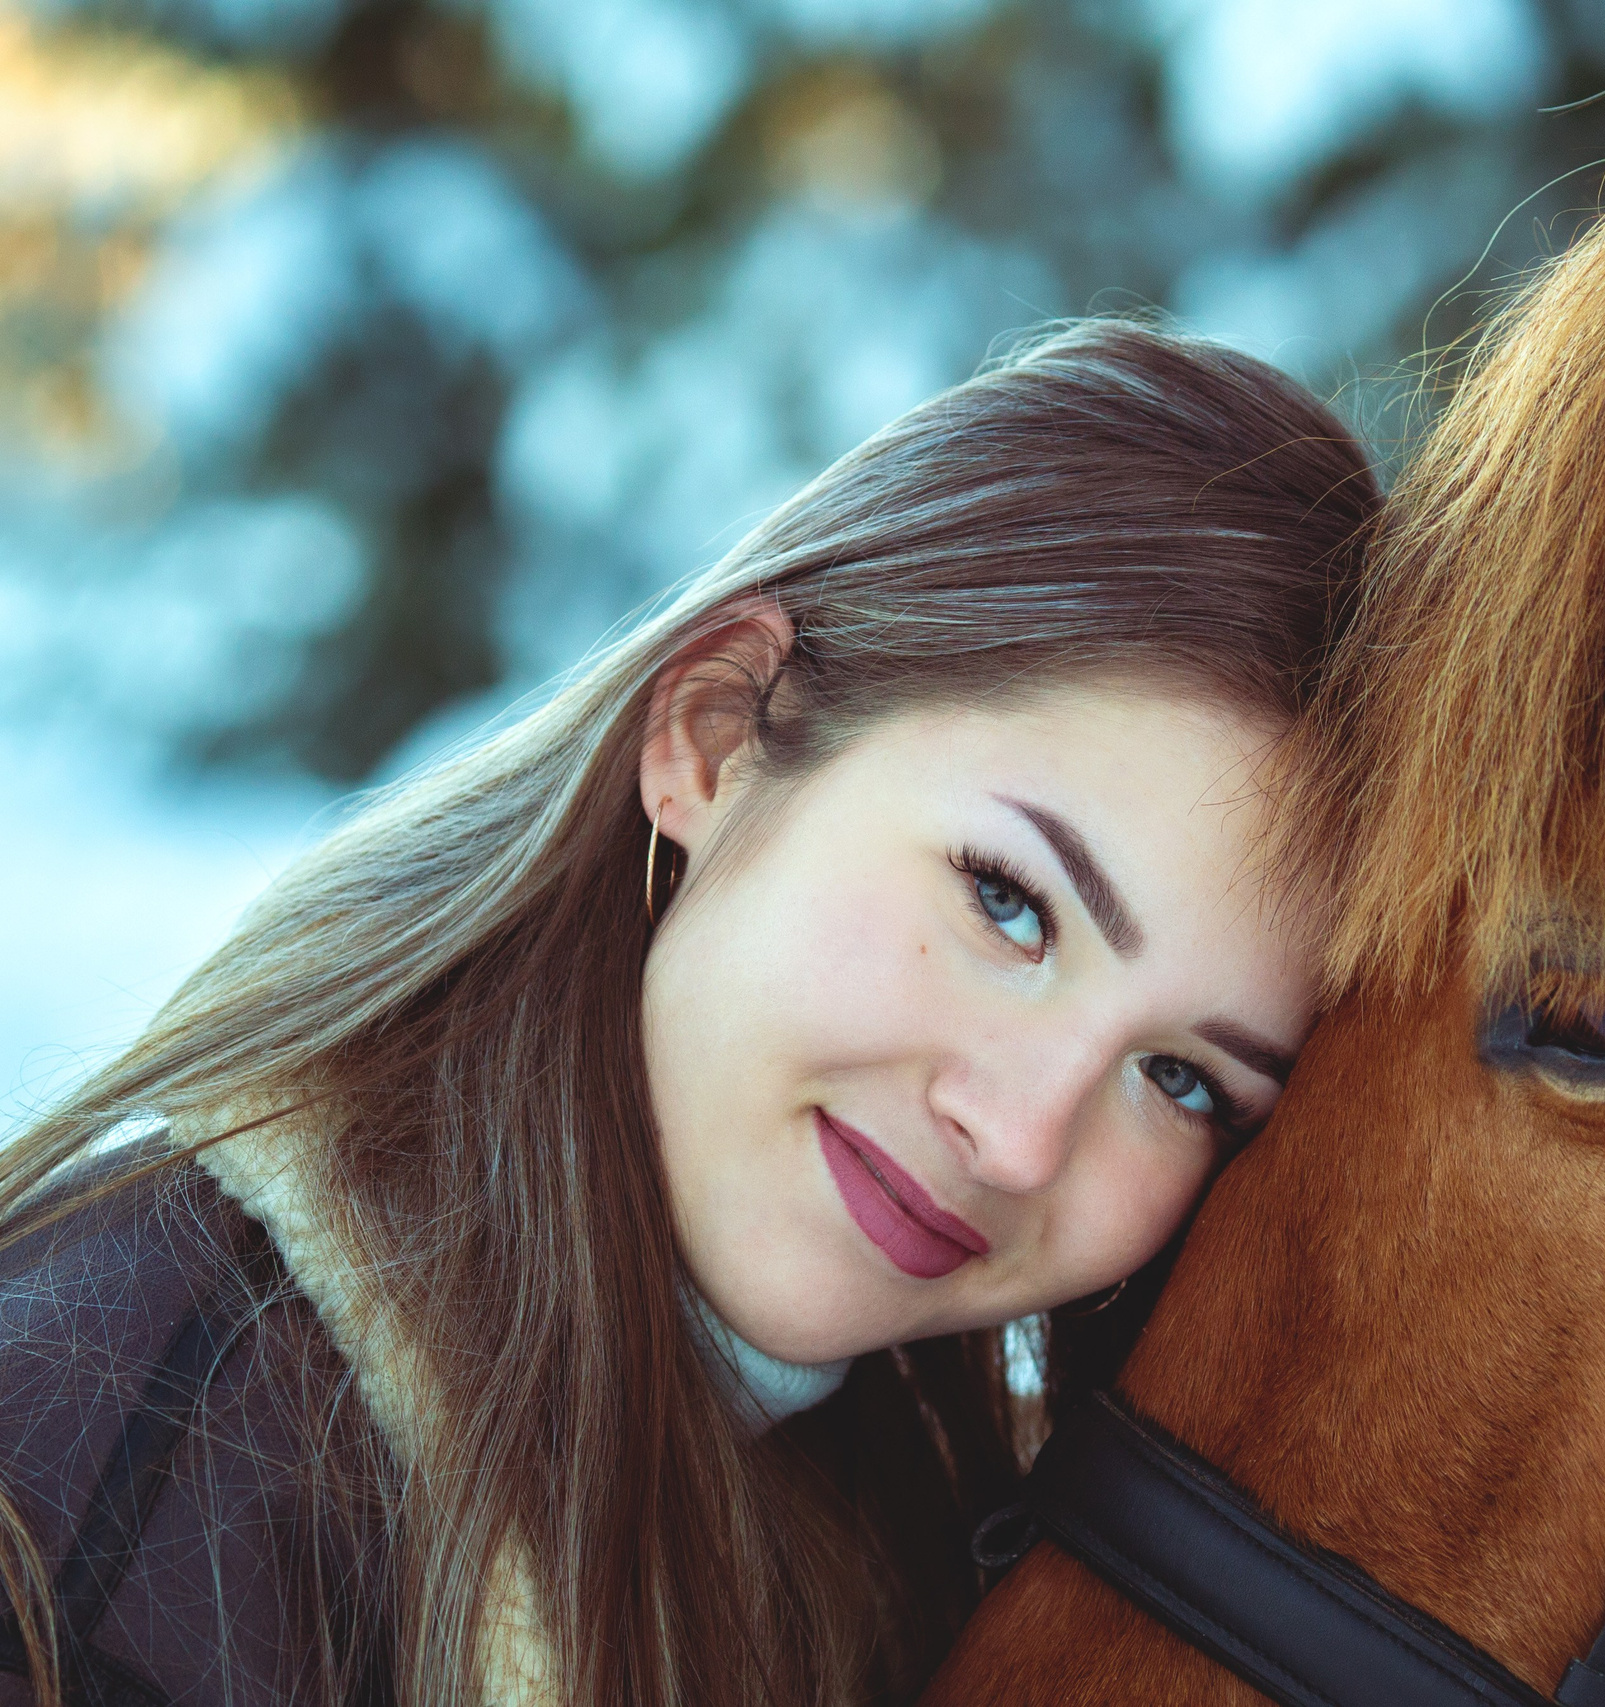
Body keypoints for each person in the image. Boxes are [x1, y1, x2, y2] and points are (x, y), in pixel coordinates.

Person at [0, 320, 1378, 1707]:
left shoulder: (930, 1567)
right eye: (1008, 902)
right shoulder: (104, 1478)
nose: (1020, 1139)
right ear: (716, 734)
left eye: (1185, 1080)